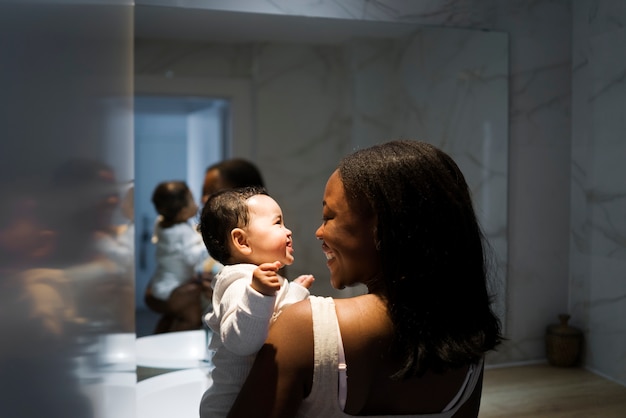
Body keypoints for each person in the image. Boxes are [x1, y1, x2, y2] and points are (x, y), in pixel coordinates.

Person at [227, 140, 503, 418]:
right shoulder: (468, 343)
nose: (319, 233)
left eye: (329, 216)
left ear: (382, 227)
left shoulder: (305, 328)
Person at [198, 185, 315, 418]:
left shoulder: (258, 280)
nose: (288, 230)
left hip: (258, 400)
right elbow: (242, 342)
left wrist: (294, 292)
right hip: (232, 406)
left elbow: (279, 325)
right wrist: (258, 293)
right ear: (242, 241)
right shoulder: (238, 280)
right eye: (277, 223)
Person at [144, 158, 266, 331]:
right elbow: (152, 292)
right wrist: (172, 302)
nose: (203, 199)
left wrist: (224, 296)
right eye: (202, 191)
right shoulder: (195, 234)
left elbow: (271, 305)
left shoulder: (265, 247)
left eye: (213, 191)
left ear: (244, 194)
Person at [148, 180, 214, 331]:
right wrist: (206, 245)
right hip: (175, 288)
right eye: (192, 199)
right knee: (191, 318)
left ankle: (160, 338)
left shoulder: (162, 225)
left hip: (162, 285)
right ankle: (172, 347)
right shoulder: (181, 232)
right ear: (182, 211)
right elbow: (190, 257)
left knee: (171, 318)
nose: (198, 201)